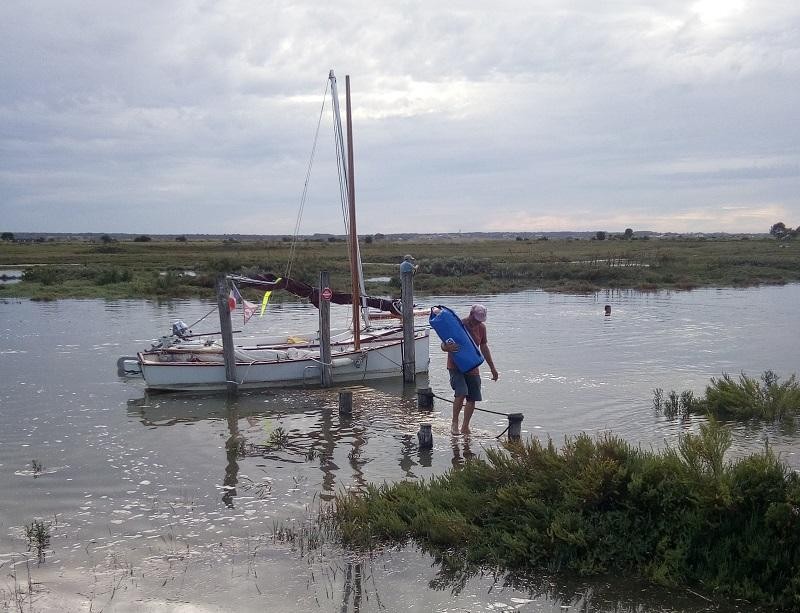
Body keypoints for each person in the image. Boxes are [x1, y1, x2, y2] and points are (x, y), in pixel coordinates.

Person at [441, 304, 498, 435]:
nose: (477, 322)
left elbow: (484, 347)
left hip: (472, 365)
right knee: (461, 392)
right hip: (456, 365)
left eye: (480, 320)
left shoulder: (482, 328)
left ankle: (465, 426)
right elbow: (443, 343)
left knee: (472, 397)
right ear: (471, 314)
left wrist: (492, 368)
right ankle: (454, 423)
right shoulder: (458, 324)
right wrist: (446, 347)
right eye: (476, 319)